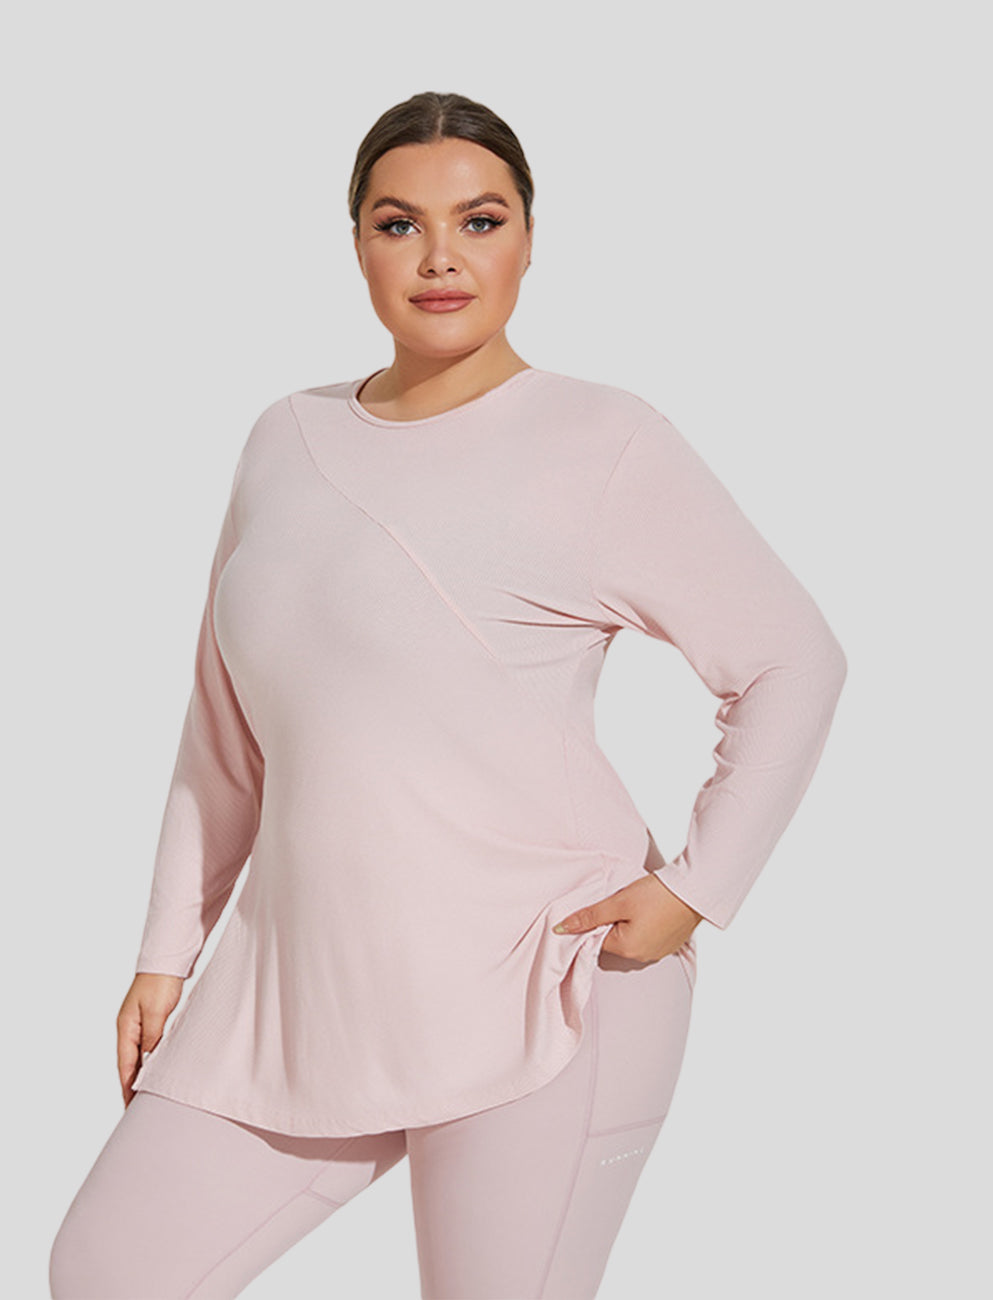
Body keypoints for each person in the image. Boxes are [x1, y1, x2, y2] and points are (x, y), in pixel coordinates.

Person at [49, 90, 848, 1299]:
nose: (438, 258)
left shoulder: (601, 438)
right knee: (109, 1269)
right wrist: (167, 954)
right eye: (397, 224)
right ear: (356, 244)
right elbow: (224, 738)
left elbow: (792, 657)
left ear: (528, 238)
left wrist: (697, 888)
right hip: (299, 992)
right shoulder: (284, 436)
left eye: (478, 221)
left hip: (544, 981)